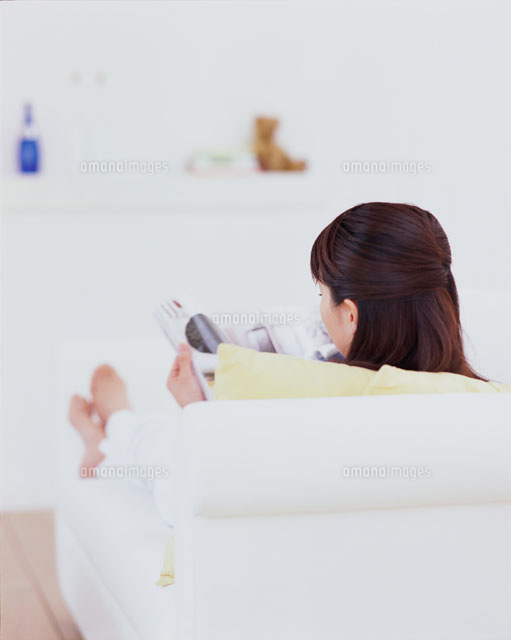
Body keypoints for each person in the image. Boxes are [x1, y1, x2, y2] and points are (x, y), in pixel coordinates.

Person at [69, 202, 486, 481]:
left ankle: (113, 429)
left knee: (164, 445)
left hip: (208, 479)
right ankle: (109, 442)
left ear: (351, 314)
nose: (319, 306)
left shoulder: (310, 402)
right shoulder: (482, 404)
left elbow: (216, 480)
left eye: (321, 293)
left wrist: (196, 412)